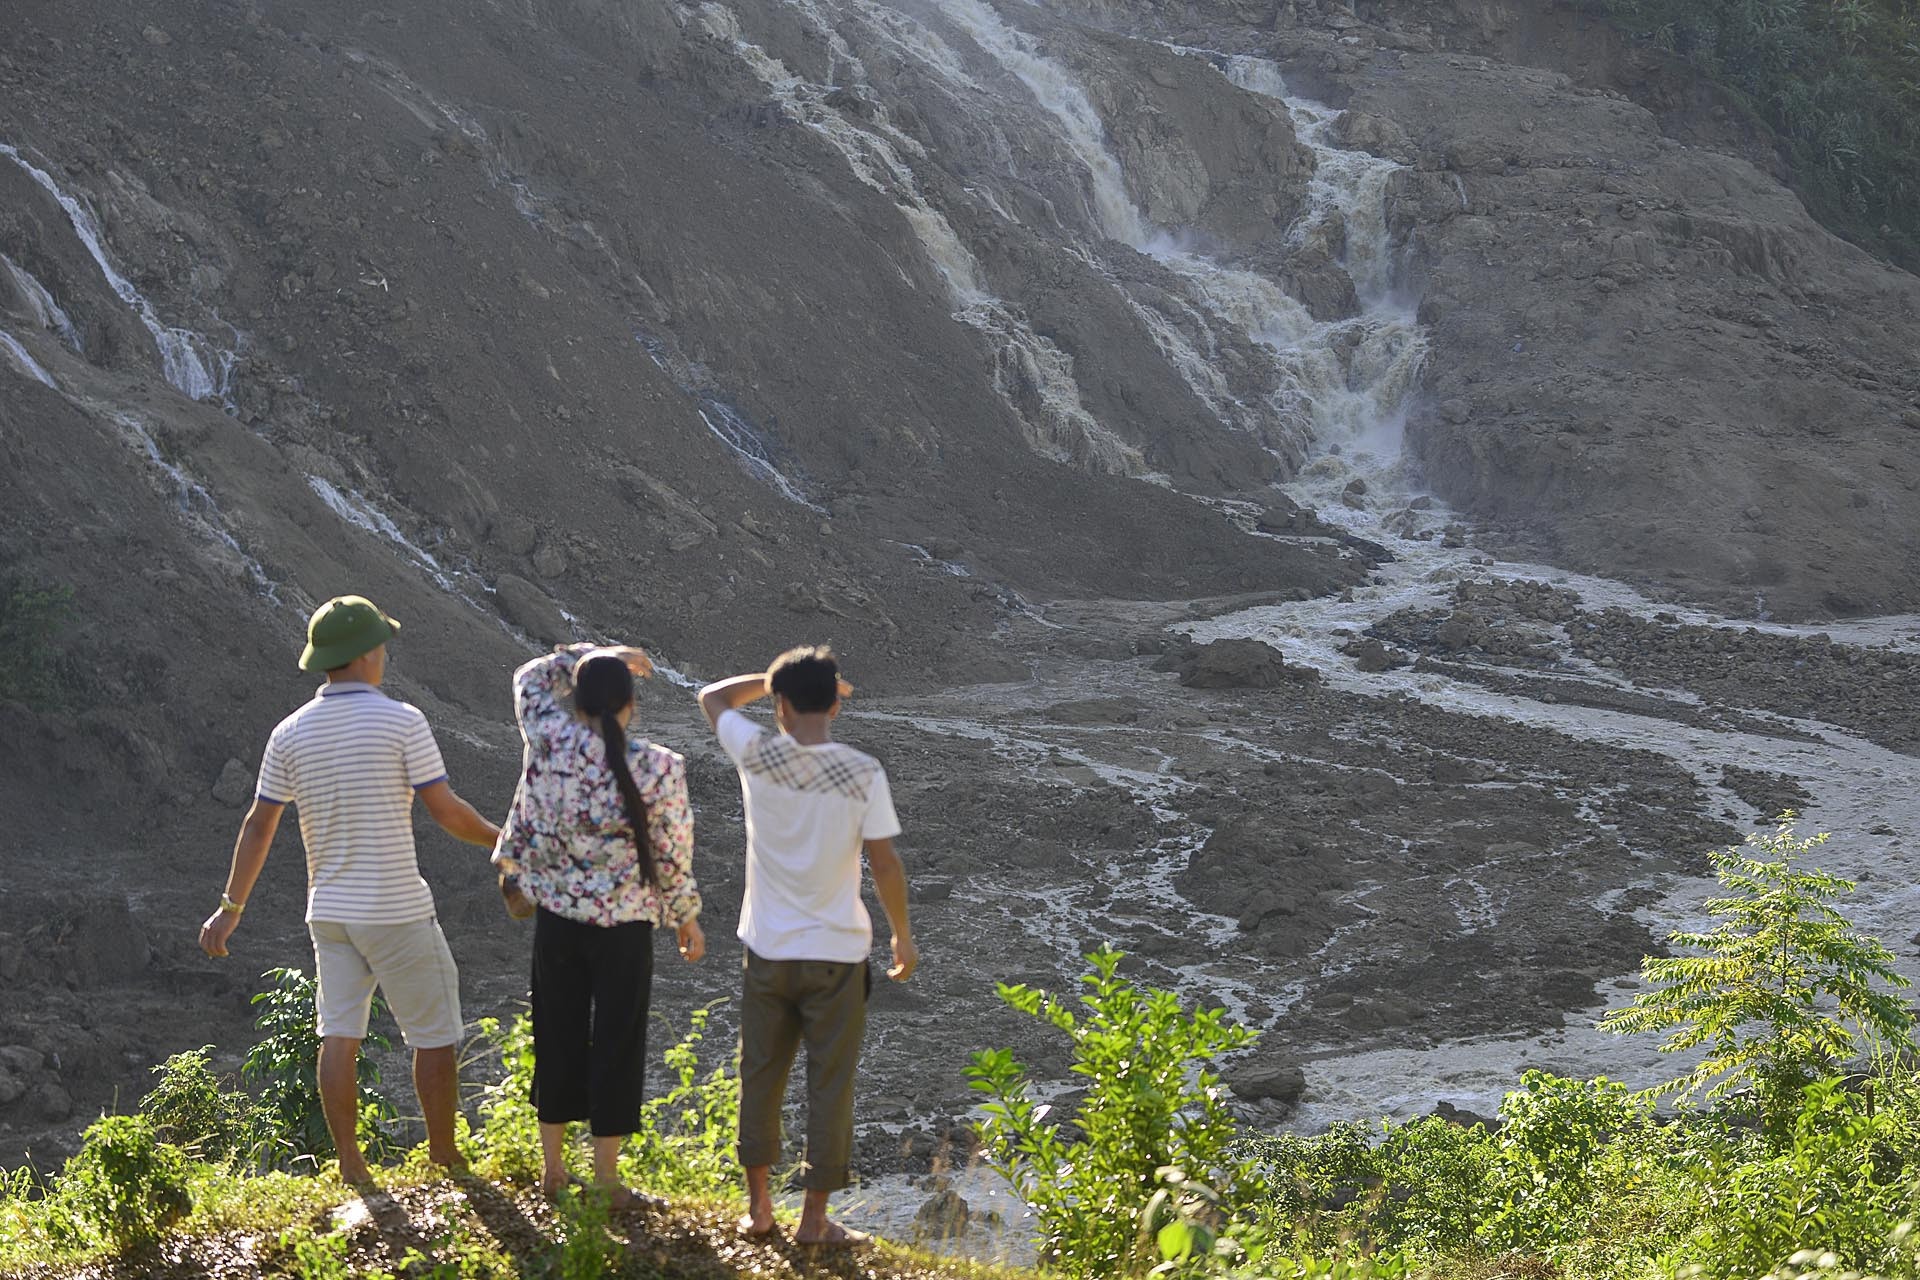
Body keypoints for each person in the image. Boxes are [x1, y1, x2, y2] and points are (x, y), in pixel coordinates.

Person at [198, 595, 499, 1185]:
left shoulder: (289, 733)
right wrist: (504, 842)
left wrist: (229, 909)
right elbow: (445, 811)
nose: (384, 654)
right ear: (364, 656)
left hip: (328, 913)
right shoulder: (402, 721)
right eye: (380, 646)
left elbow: (259, 824)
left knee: (339, 1035)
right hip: (396, 909)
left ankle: (352, 1166)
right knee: (434, 1035)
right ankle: (445, 1157)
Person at [698, 645, 917, 1247]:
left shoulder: (759, 753)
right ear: (836, 707)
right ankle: (816, 1220)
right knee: (830, 1084)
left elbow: (711, 696)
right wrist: (901, 931)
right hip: (837, 954)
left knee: (760, 1075)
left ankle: (761, 1208)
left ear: (781, 706)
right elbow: (885, 862)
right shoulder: (862, 771)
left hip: (766, 948)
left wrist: (768, 681)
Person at [493, 643, 706, 1206]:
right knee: (618, 1040)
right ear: (631, 705)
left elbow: (528, 677)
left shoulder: (549, 737)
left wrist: (590, 654)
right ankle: (607, 1179)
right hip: (627, 926)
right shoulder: (660, 767)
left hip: (558, 919)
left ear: (577, 699)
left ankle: (554, 1171)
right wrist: (686, 919)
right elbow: (672, 853)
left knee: (556, 1031)